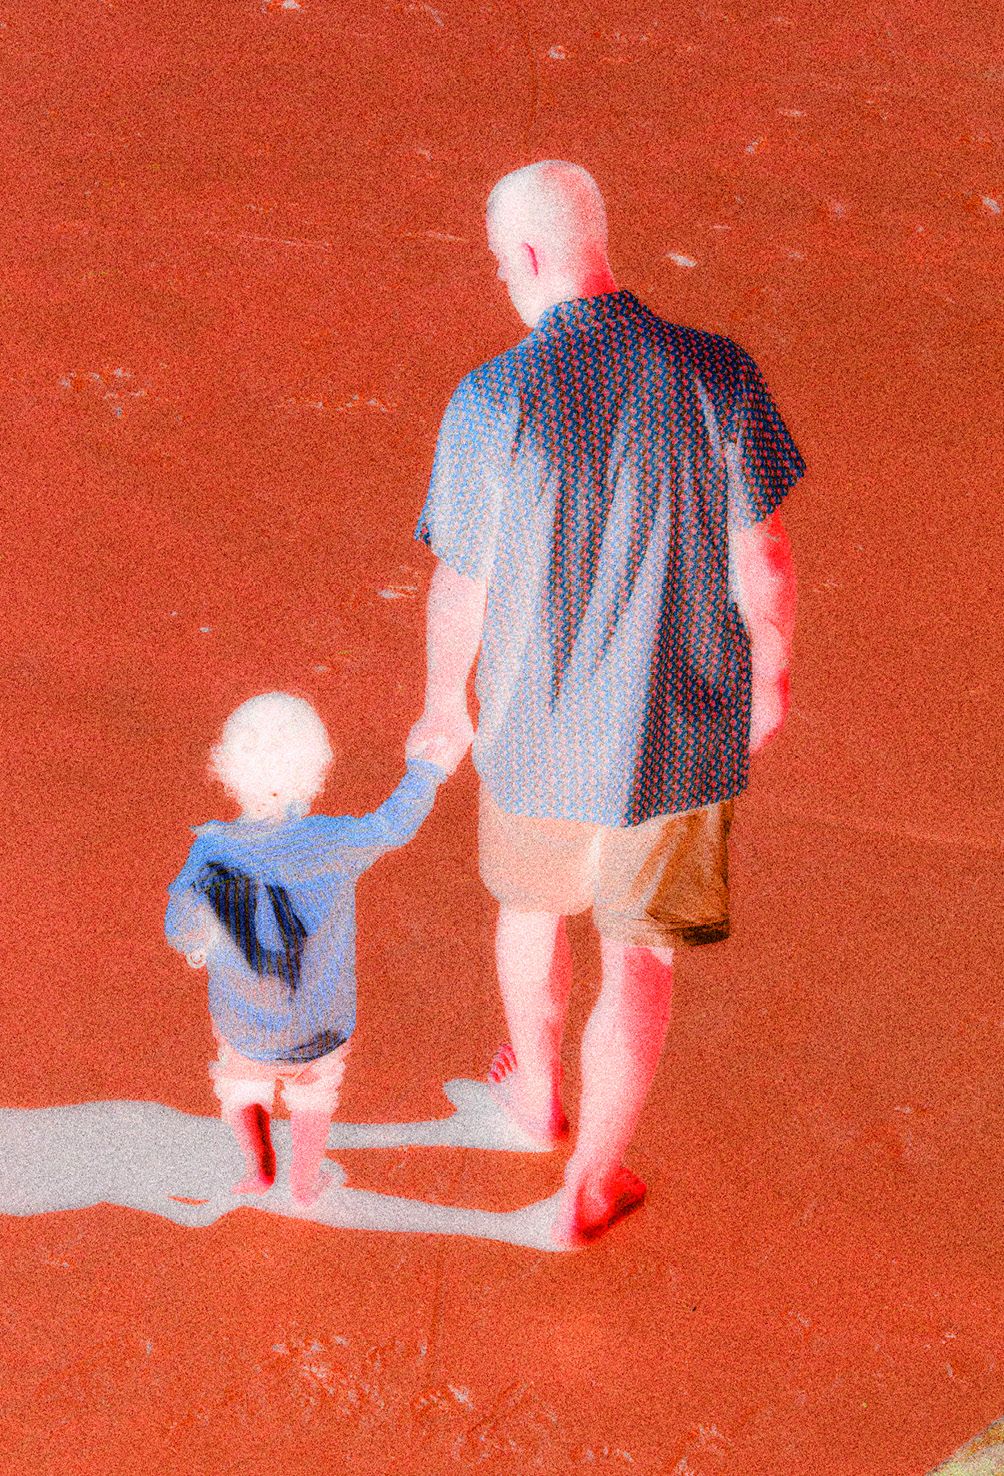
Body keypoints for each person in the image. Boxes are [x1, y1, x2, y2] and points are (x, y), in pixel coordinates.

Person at [407, 160, 803, 1247]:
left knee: (532, 913)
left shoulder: (493, 398)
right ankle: (590, 1184)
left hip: (534, 728)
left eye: (501, 263)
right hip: (679, 735)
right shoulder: (716, 372)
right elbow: (764, 554)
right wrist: (770, 672)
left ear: (530, 256)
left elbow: (461, 584)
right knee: (640, 957)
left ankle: (536, 1097)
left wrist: (444, 702)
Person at [165, 691, 448, 1206]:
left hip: (245, 1022)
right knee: (315, 1094)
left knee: (241, 1083)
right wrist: (425, 773)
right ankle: (304, 1181)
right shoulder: (332, 840)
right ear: (316, 770)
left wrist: (196, 945)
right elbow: (392, 826)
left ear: (228, 769)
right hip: (322, 1021)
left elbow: (181, 923)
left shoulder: (211, 852)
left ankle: (260, 1162)